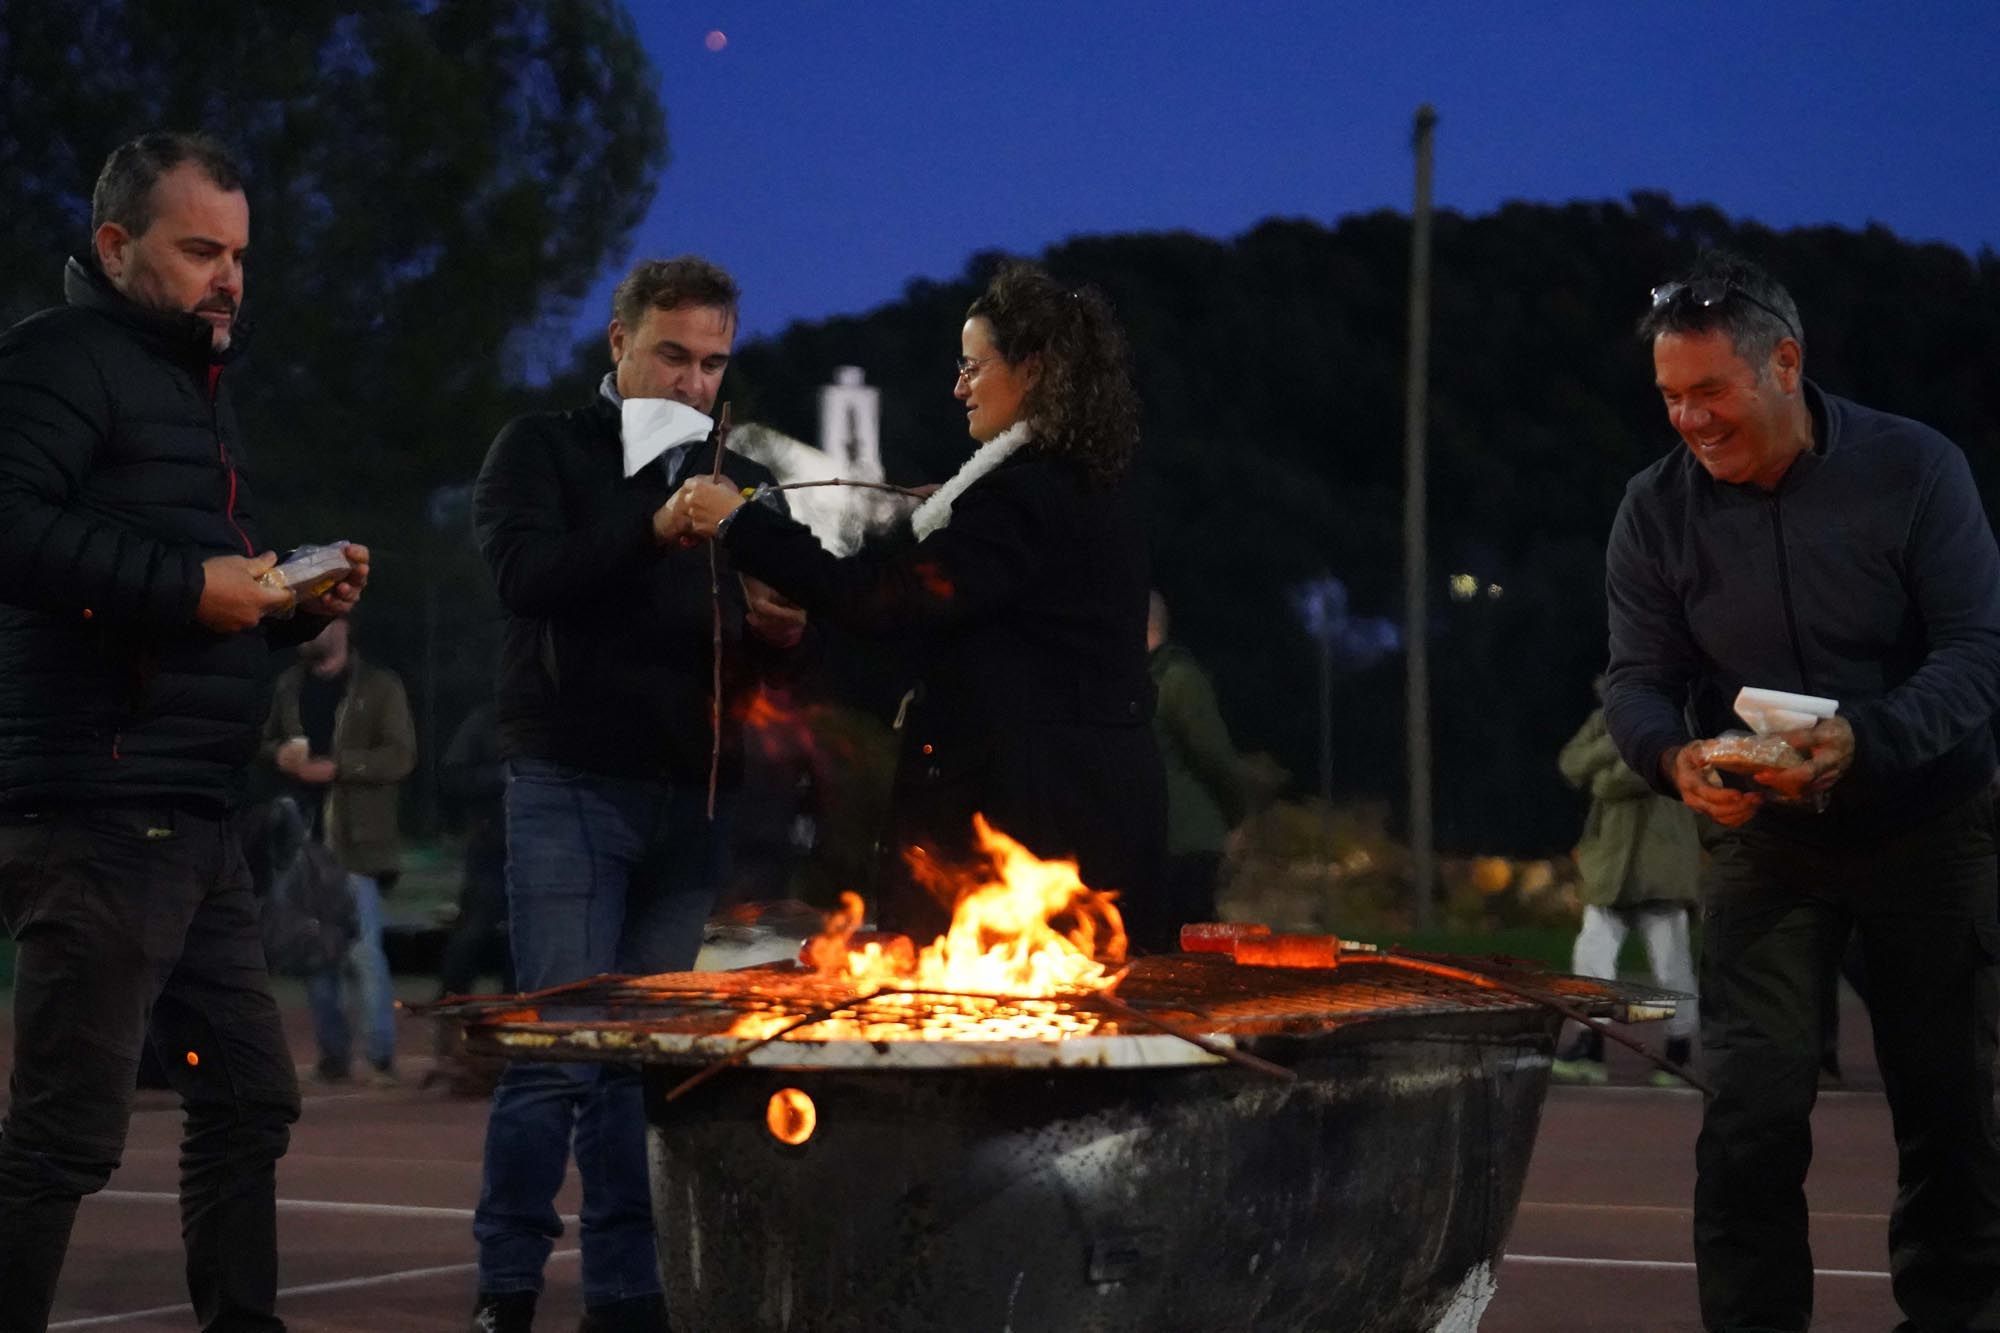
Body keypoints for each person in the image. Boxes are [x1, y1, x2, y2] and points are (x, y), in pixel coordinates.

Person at [0, 131, 369, 1332]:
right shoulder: (60, 359)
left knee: (252, 1099)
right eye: (199, 249)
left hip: (194, 813)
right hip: (101, 808)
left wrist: (279, 606)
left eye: (240, 254)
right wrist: (189, 586)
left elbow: (196, 595)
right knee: (63, 1136)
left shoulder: (190, 393)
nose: (230, 277)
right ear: (116, 247)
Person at [1602, 249, 2000, 1332]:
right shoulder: (1653, 511)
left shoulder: (1913, 469)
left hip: (1925, 829)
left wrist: (1863, 739)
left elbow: (1973, 653)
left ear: (1782, 364)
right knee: (1746, 1120)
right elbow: (1636, 681)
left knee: (1952, 1116)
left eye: (1708, 392)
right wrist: (1672, 762)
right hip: (1763, 847)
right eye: (1669, 398)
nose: (1687, 420)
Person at [469, 255, 807, 1333]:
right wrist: (654, 525)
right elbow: (527, 579)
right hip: (572, 782)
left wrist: (782, 636)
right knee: (560, 1054)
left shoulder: (740, 476)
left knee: (641, 1071)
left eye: (713, 362)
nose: (694, 381)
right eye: (673, 353)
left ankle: (627, 1296)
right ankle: (506, 1293)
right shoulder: (542, 447)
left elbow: (767, 656)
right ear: (617, 344)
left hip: (690, 800)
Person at [672, 261, 1167, 944]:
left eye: (973, 365)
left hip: (1027, 830)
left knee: (1001, 1032)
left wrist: (742, 522)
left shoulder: (1024, 500)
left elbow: (888, 600)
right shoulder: (1079, 491)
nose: (958, 386)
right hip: (1080, 808)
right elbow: (903, 625)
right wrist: (808, 628)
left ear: (1034, 369)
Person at [261, 616, 415, 1086]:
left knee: (363, 952)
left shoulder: (379, 686)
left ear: (343, 627)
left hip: (355, 842)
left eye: (317, 623)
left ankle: (381, 1055)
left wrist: (339, 767)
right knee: (313, 952)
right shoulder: (288, 686)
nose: (308, 633)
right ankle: (332, 1056)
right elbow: (264, 742)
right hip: (300, 839)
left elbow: (401, 755)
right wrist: (277, 755)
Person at [1550, 685, 1699, 1085]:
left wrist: (1609, 760)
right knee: (1591, 957)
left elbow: (1620, 783)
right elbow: (1570, 762)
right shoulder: (1606, 721)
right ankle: (1590, 1044)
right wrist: (1618, 742)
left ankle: (1678, 1053)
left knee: (1671, 965)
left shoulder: (1680, 723)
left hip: (1661, 864)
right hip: (1610, 863)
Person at [1144, 590, 1248, 953]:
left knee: (1190, 944)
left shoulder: (1176, 680)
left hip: (1185, 840)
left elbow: (1214, 757)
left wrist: (1236, 816)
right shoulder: (1135, 682)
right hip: (1150, 840)